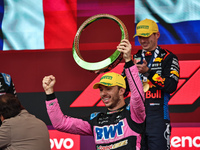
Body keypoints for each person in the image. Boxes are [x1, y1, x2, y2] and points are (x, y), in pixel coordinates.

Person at [42, 45, 146, 150]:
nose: (103, 93)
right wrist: (49, 93)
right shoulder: (96, 121)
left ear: (121, 91)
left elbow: (137, 95)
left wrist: (128, 61)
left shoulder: (133, 114)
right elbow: (60, 123)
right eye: (101, 90)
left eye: (108, 89)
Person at [118, 18, 180, 150]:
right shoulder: (133, 59)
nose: (143, 40)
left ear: (157, 35)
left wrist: (149, 73)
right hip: (135, 117)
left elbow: (171, 86)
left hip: (157, 117)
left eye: (146, 36)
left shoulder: (168, 57)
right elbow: (124, 89)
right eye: (140, 37)